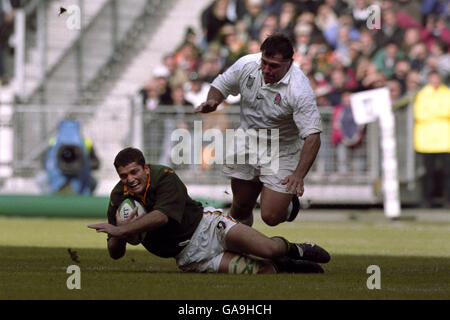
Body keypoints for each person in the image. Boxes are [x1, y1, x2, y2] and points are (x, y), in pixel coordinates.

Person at [88, 147, 330, 274]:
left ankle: (296, 249)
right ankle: (291, 266)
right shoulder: (119, 197)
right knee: (265, 271)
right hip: (191, 259)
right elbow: (115, 253)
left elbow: (161, 217)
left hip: (210, 228)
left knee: (268, 248)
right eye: (123, 176)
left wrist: (126, 229)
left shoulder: (165, 177)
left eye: (134, 172)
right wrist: (118, 236)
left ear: (146, 168)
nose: (130, 179)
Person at [195, 33, 322, 227]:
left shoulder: (299, 88)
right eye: (264, 62)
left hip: (282, 149)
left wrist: (298, 175)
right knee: (240, 207)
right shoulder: (247, 64)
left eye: (274, 66)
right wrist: (214, 100)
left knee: (271, 216)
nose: (266, 69)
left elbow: (313, 135)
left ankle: (287, 204)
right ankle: (238, 252)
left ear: (289, 63)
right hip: (247, 141)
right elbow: (220, 85)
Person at [413, 70, 450, 208]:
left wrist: (432, 112)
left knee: (447, 173)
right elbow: (420, 114)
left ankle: (447, 200)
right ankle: (427, 200)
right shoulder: (422, 94)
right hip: (427, 141)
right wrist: (440, 113)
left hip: (445, 140)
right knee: (428, 173)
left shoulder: (446, 93)